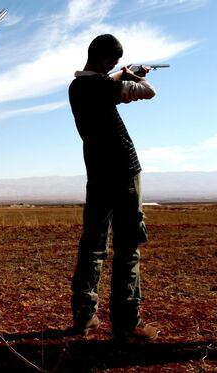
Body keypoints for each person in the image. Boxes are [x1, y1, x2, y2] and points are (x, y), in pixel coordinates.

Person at [68, 34, 159, 342]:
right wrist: (133, 75)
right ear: (108, 61)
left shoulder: (77, 86)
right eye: (115, 63)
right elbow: (149, 92)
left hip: (97, 172)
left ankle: (84, 316)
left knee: (92, 245)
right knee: (128, 246)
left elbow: (103, 84)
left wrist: (119, 74)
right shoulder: (103, 85)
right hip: (124, 169)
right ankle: (127, 320)